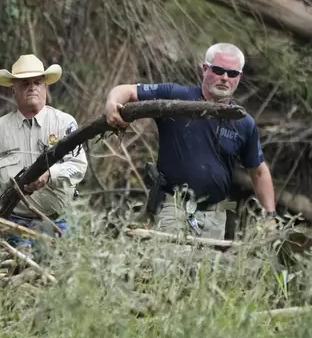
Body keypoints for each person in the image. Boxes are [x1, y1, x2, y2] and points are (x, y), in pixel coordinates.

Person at [104, 43, 277, 239]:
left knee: (206, 270)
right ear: (205, 69)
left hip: (215, 218)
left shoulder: (243, 122)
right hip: (173, 209)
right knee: (170, 268)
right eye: (218, 70)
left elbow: (259, 171)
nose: (224, 78)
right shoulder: (175, 97)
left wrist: (270, 215)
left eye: (232, 73)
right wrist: (112, 104)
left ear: (239, 77)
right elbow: (127, 91)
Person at [0, 54, 88, 254]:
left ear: (45, 86)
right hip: (12, 224)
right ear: (13, 88)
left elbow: (78, 166)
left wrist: (50, 175)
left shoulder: (64, 123)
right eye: (25, 83)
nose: (32, 87)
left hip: (58, 222)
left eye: (37, 82)